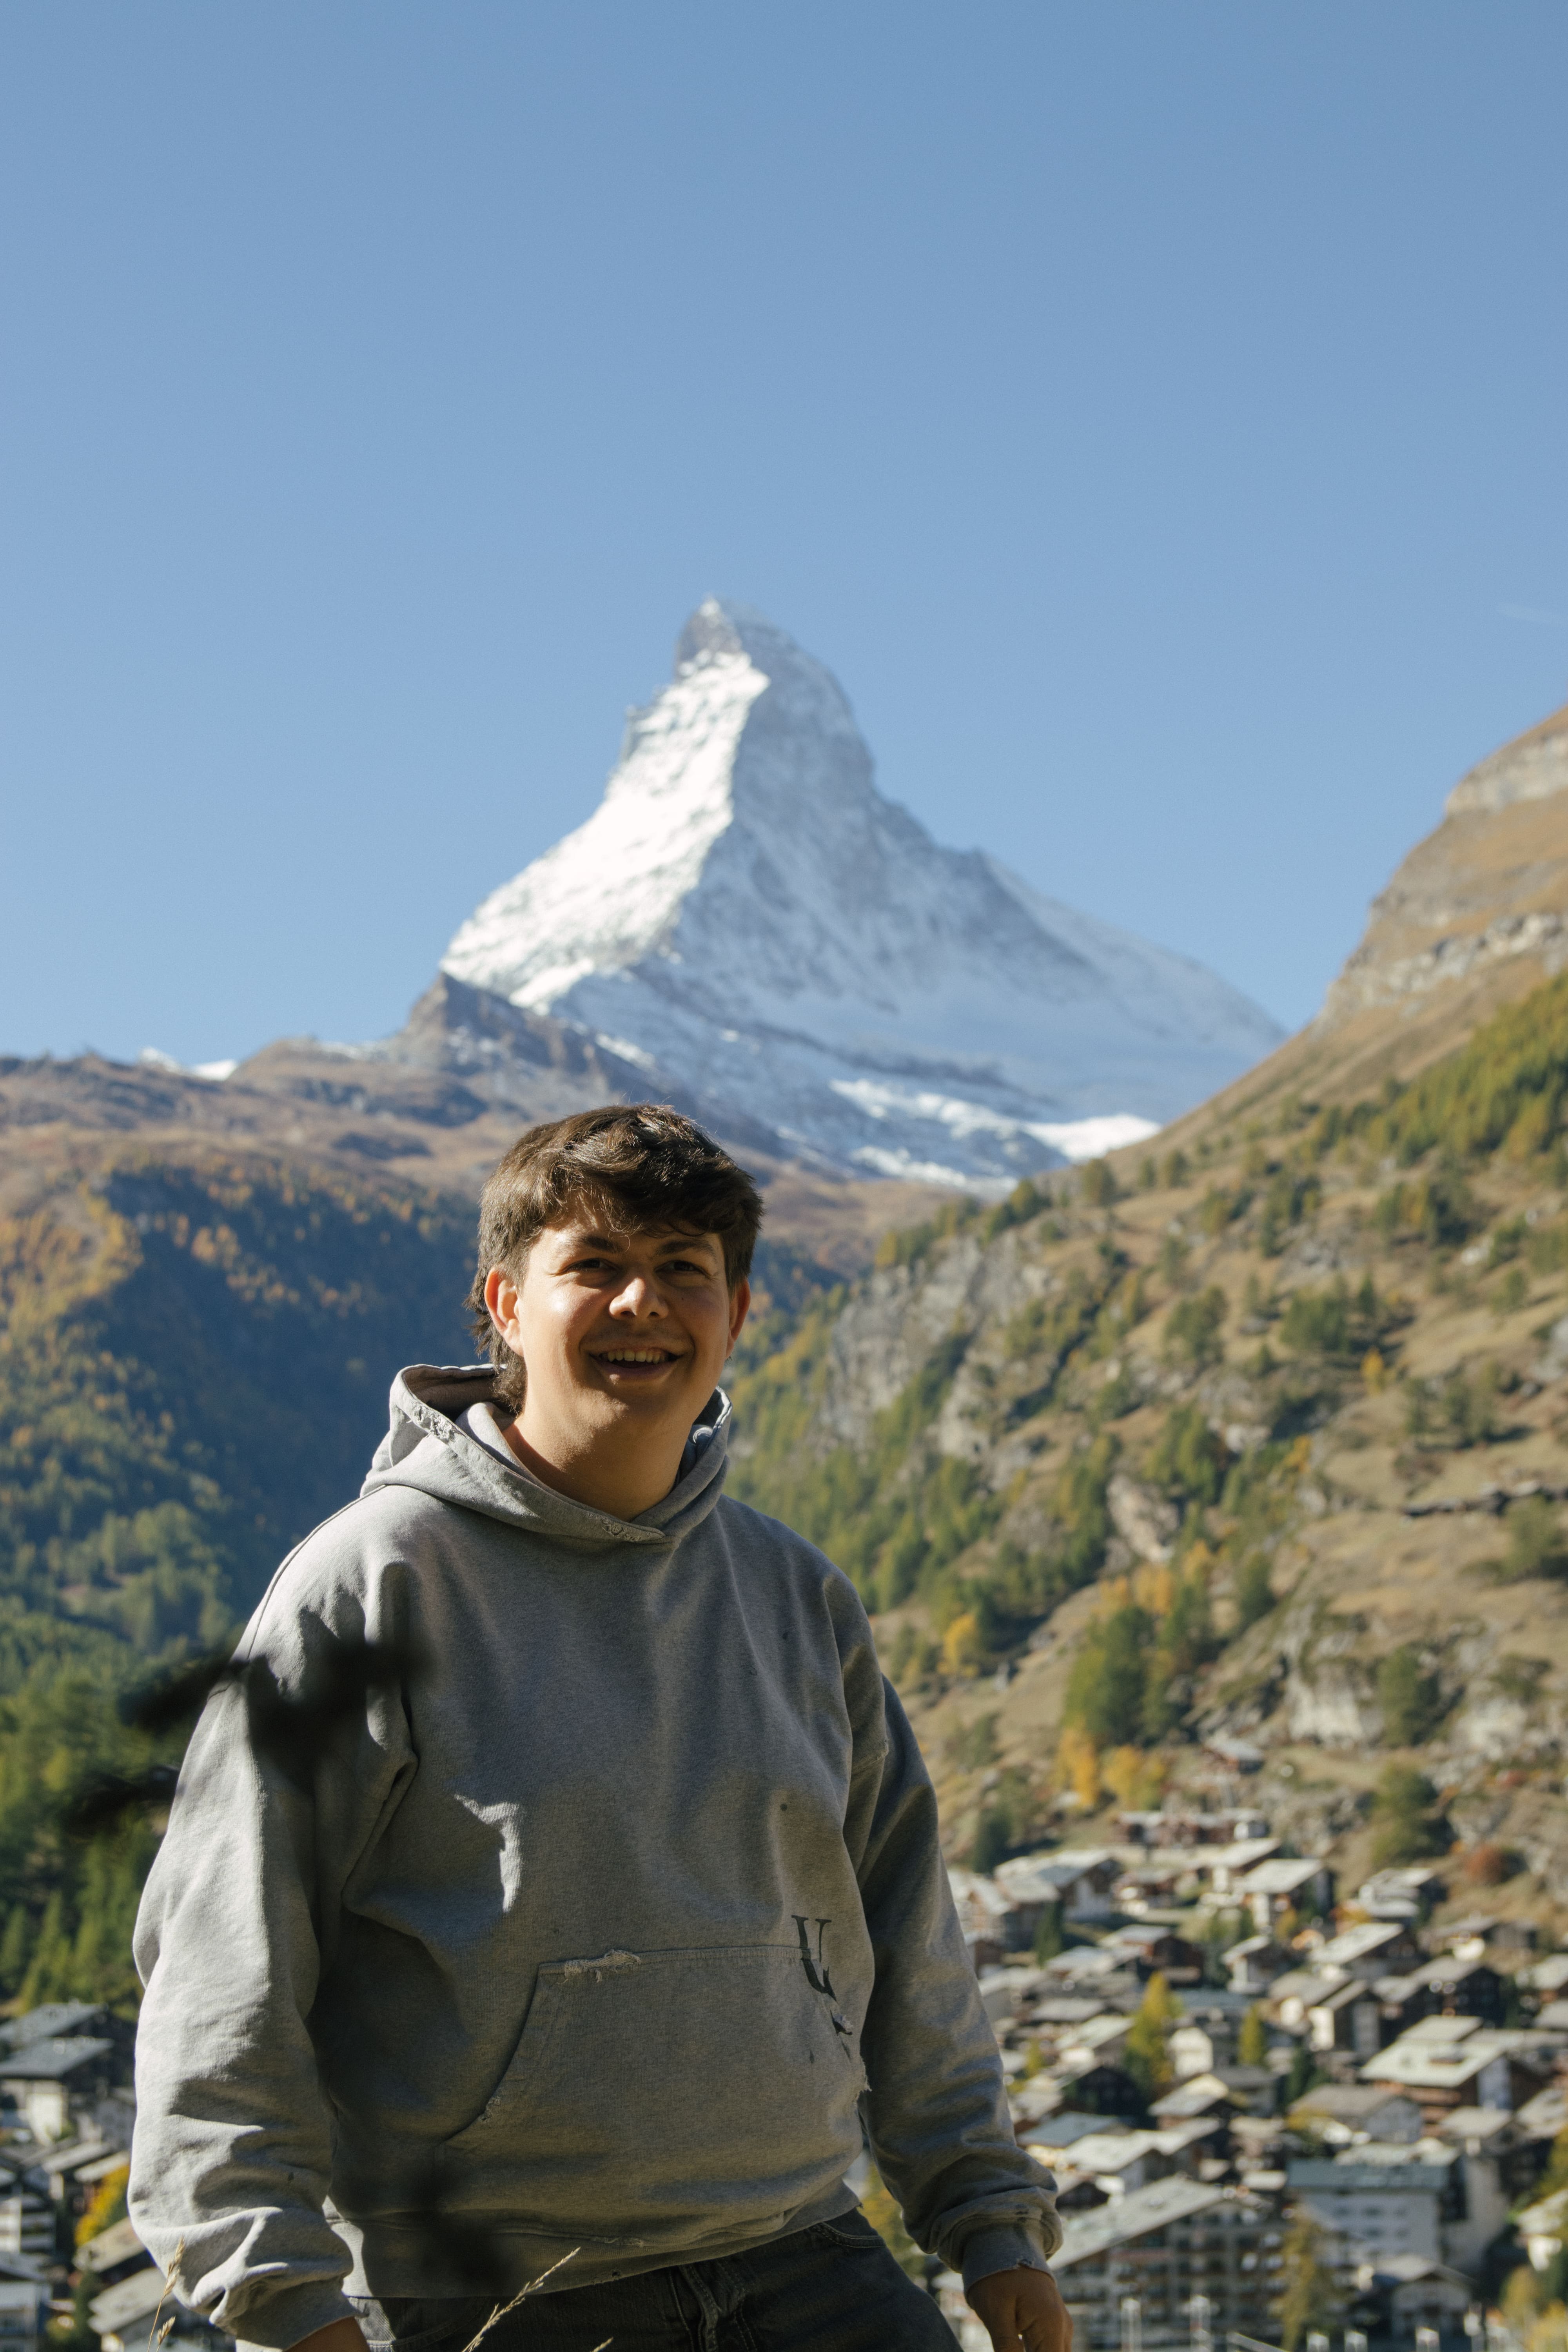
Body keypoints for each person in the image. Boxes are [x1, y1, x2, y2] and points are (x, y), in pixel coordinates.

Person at [131, 1106, 1068, 2352]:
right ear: (505, 1303)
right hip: (509, 2294)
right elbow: (223, 1966)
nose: (643, 1305)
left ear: (737, 1315)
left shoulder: (795, 1596)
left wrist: (988, 2216)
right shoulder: (371, 1587)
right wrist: (285, 2303)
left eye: (685, 1270)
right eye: (596, 1267)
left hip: (813, 2261)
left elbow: (905, 1925)